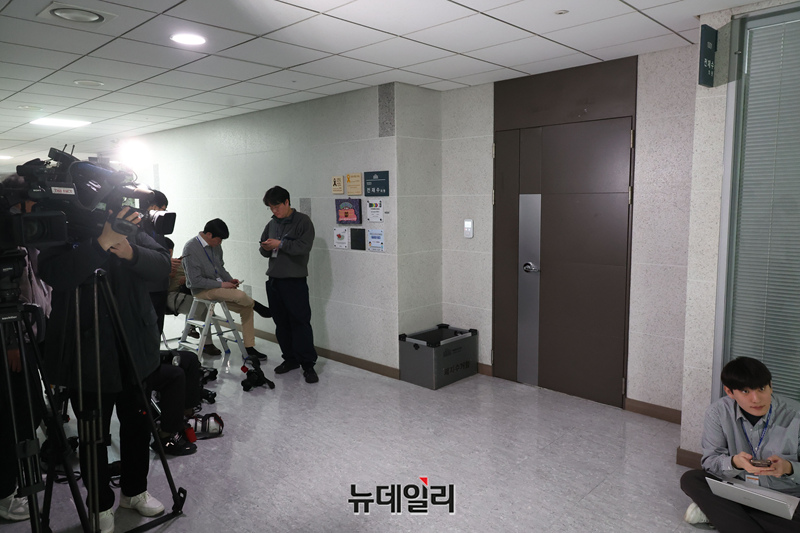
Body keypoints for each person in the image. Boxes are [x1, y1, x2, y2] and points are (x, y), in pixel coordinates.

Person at [40, 206, 170, 533]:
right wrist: (100, 244)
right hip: (87, 352)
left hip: (135, 347)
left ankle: (134, 491)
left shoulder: (128, 225)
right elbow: (56, 274)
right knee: (92, 435)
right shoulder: (62, 227)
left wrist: (130, 251)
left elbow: (162, 265)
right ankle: (99, 504)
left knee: (138, 424)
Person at [680, 356, 800, 532]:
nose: (756, 399)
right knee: (691, 479)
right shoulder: (717, 413)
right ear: (729, 392)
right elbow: (710, 463)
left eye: (762, 389)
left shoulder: (796, 414)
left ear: (771, 386)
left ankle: (718, 514)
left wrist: (789, 468)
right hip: (737, 489)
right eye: (745, 391)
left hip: (785, 496)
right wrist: (734, 463)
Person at [0, 174, 51, 522]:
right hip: (12, 341)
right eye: (31, 202)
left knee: (30, 408)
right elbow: (5, 294)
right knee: (15, 413)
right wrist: (11, 342)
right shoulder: (5, 236)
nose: (35, 209)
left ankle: (19, 474)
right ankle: (5, 492)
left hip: (30, 334)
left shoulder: (25, 233)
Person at [182, 218, 269, 360]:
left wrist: (229, 280)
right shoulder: (191, 248)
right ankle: (258, 306)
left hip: (217, 288)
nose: (220, 243)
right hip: (201, 291)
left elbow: (220, 268)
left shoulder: (215, 245)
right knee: (240, 296)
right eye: (219, 239)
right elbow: (195, 281)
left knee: (246, 308)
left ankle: (249, 348)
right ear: (209, 235)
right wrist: (222, 285)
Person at [259, 186, 318, 384]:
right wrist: (266, 247)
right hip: (274, 280)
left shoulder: (303, 222)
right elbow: (263, 249)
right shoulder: (272, 224)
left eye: (277, 207)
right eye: (271, 208)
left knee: (300, 323)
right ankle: (290, 359)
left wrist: (280, 244)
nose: (274, 211)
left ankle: (308, 365)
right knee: (281, 323)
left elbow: (303, 247)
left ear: (287, 202)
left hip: (294, 281)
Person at [140, 189, 170, 334]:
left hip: (161, 286)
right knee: (146, 330)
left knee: (157, 329)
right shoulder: (138, 226)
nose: (163, 214)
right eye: (162, 209)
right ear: (152, 207)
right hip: (146, 287)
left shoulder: (157, 226)